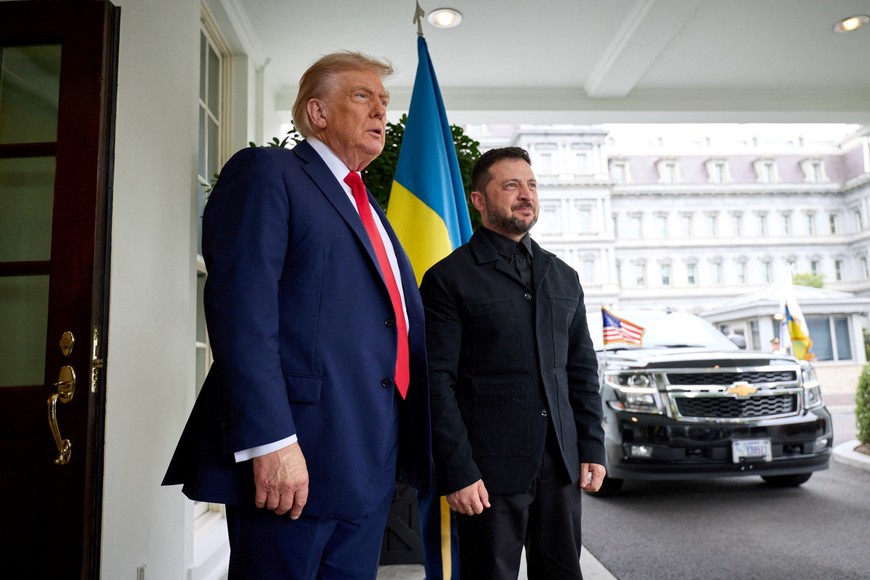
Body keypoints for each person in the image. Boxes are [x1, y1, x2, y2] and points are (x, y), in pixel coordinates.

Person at [162, 51, 431, 579]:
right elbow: (243, 312)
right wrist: (272, 441)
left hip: (370, 459)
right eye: (362, 96)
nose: (381, 110)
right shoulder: (268, 172)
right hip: (294, 459)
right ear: (317, 113)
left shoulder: (369, 206)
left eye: (384, 101)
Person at [419, 147, 606, 579]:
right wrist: (458, 470)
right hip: (487, 474)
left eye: (532, 185)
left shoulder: (563, 275)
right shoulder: (448, 279)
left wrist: (592, 445)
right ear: (479, 200)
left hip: (559, 466)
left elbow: (581, 369)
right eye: (511, 185)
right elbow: (436, 381)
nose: (526, 195)